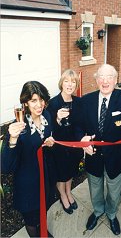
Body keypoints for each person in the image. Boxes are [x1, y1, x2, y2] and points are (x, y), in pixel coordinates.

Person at [76, 64, 121, 236]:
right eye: (101, 76)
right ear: (96, 80)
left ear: (116, 80)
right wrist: (82, 139)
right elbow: (78, 125)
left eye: (109, 77)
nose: (105, 80)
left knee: (114, 192)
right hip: (93, 157)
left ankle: (112, 214)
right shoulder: (86, 100)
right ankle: (98, 211)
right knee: (95, 188)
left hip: (117, 158)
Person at [1, 81, 55, 237]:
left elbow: (47, 140)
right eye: (34, 100)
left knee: (43, 209)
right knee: (31, 219)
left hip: (45, 177)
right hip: (27, 183)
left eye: (42, 99)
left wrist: (49, 143)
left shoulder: (47, 116)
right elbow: (5, 167)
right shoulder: (18, 128)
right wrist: (12, 139)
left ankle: (43, 229)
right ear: (25, 103)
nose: (39, 105)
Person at [47, 69, 83, 215]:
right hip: (59, 147)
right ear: (62, 83)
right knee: (61, 173)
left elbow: (80, 124)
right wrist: (57, 119)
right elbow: (48, 128)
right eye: (67, 81)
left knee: (70, 171)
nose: (70, 84)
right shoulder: (53, 103)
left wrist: (80, 140)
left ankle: (68, 191)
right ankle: (62, 195)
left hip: (74, 146)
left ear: (76, 85)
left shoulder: (78, 102)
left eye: (73, 82)